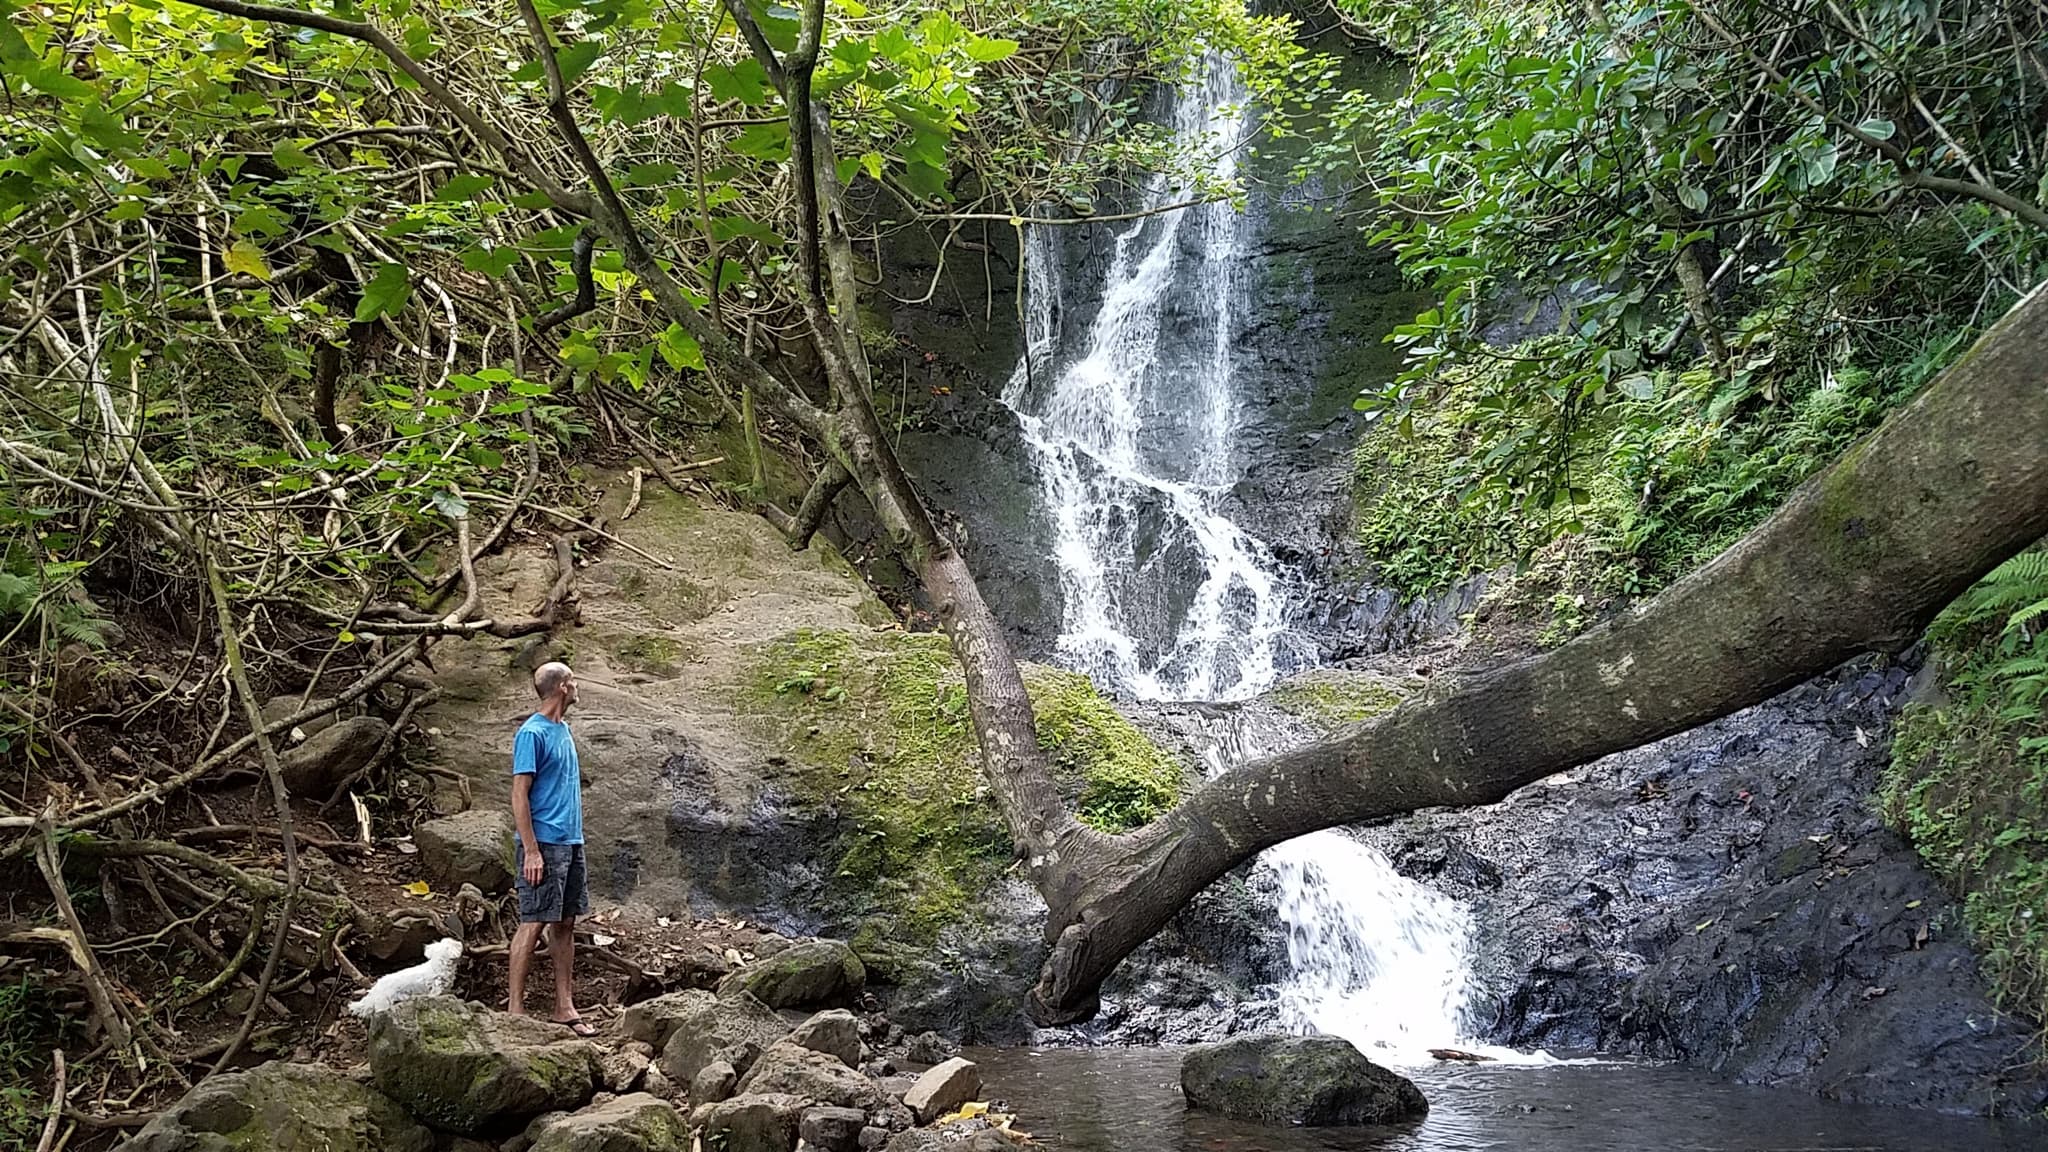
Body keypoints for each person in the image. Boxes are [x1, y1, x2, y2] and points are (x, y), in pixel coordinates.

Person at [508, 660, 594, 1035]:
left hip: (570, 840)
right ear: (561, 687)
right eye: (573, 681)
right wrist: (531, 850)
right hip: (543, 842)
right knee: (533, 919)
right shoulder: (533, 734)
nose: (577, 687)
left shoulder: (564, 730)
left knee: (566, 921)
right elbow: (519, 794)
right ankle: (515, 1008)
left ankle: (564, 1006)